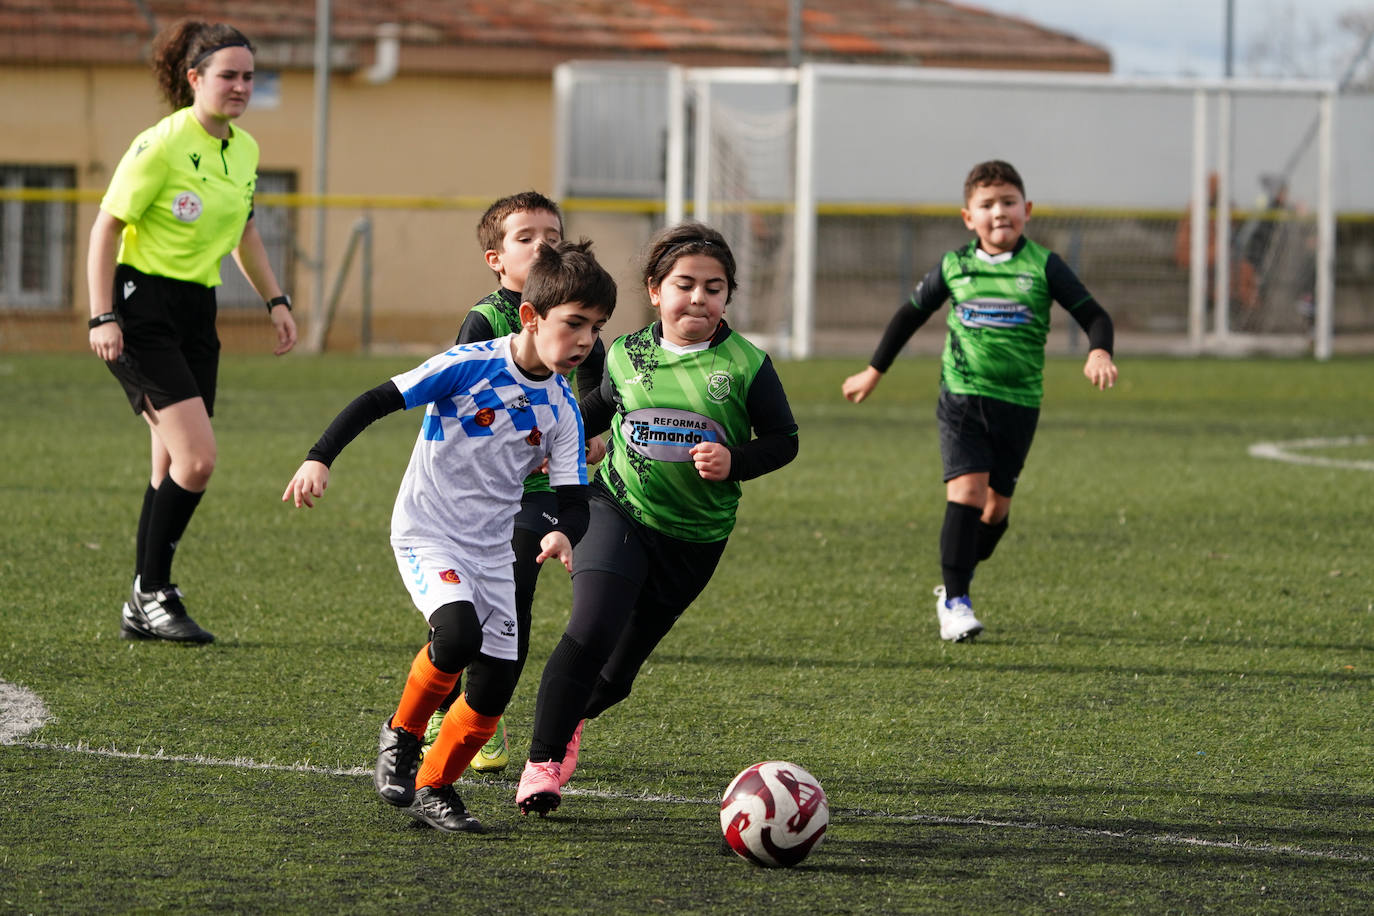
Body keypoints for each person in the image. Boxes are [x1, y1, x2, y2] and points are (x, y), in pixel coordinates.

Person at [282, 240, 616, 833]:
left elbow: (571, 498)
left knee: (493, 691)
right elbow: (375, 401)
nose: (587, 340)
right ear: (531, 318)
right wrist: (319, 458)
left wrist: (565, 533)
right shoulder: (469, 364)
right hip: (428, 531)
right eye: (575, 323)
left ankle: (436, 788)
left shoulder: (564, 408)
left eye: (595, 326)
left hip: (492, 549)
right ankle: (402, 735)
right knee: (456, 635)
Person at [515, 222, 800, 817]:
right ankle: (541, 766)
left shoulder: (747, 365)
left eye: (714, 288)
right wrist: (573, 439)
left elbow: (784, 440)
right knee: (591, 630)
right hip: (617, 508)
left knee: (616, 678)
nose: (698, 298)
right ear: (654, 290)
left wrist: (735, 461)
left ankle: (573, 722)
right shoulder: (625, 353)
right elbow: (594, 407)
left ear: (728, 296)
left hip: (695, 538)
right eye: (685, 284)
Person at [841, 159, 1117, 643]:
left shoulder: (1045, 265)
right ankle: (955, 602)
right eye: (986, 205)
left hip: (1020, 405)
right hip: (963, 399)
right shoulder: (955, 266)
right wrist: (873, 370)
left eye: (1008, 202)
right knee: (966, 494)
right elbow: (909, 315)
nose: (999, 212)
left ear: (1026, 210)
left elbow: (1094, 314)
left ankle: (957, 575)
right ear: (968, 217)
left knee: (995, 512)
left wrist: (1099, 350)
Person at [87, 20, 297, 644]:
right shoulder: (161, 144)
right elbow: (105, 228)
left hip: (195, 311)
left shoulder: (246, 150)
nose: (240, 87)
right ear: (195, 78)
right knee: (198, 460)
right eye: (227, 75)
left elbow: (246, 231)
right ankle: (153, 591)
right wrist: (101, 315)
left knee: (171, 462)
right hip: (139, 306)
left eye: (248, 77)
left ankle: (142, 601)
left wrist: (276, 300)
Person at [422, 191, 608, 775]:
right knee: (475, 608)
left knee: (514, 605)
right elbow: (463, 404)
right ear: (495, 259)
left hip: (544, 496)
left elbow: (598, 399)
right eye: (525, 237)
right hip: (485, 494)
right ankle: (447, 703)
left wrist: (586, 439)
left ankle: (482, 707)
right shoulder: (486, 321)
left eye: (552, 235)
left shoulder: (578, 320)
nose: (542, 245)